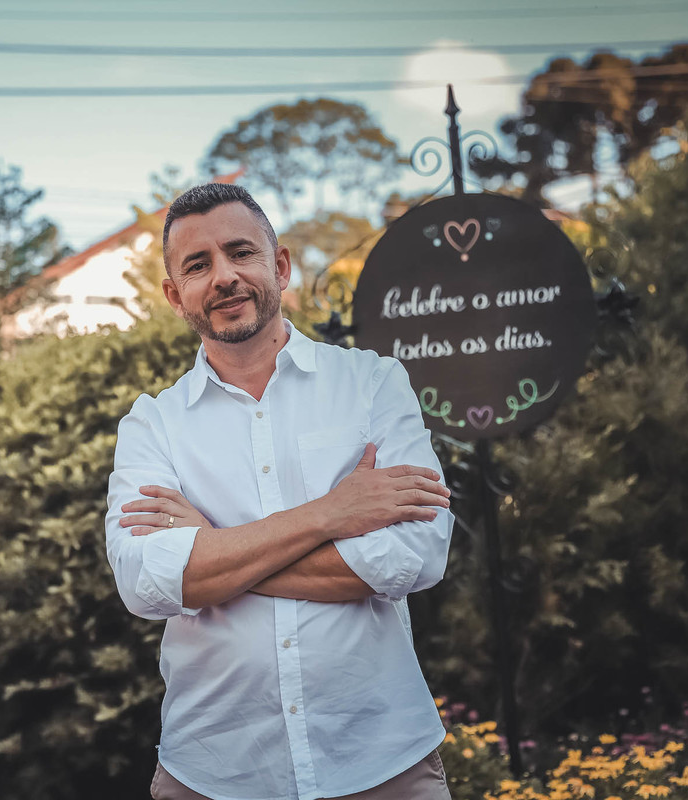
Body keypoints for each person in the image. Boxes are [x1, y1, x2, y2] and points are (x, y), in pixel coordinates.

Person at [106, 184, 456, 800]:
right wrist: (332, 514)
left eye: (241, 252)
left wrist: (211, 550)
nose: (224, 277)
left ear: (281, 266)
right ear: (173, 294)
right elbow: (146, 583)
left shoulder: (373, 384)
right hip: (216, 768)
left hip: (380, 759)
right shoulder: (152, 424)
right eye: (197, 265)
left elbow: (413, 557)